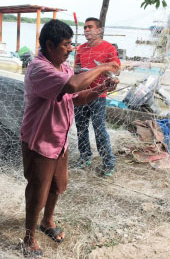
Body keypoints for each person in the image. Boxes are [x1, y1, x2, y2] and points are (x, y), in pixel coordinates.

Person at [20, 19, 119, 257]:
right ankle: (28, 237)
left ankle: (47, 222)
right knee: (38, 190)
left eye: (71, 44)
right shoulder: (39, 68)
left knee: (58, 185)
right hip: (41, 140)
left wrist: (99, 89)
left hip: (59, 139)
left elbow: (75, 97)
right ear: (50, 45)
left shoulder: (62, 67)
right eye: (66, 45)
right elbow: (74, 85)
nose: (71, 49)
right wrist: (104, 66)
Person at [73, 17, 121, 177]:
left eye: (90, 27)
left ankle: (108, 163)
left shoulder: (108, 48)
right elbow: (76, 69)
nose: (86, 30)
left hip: (98, 94)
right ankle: (85, 156)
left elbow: (116, 69)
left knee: (99, 129)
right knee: (81, 128)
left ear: (99, 30)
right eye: (85, 27)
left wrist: (108, 72)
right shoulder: (80, 49)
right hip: (81, 94)